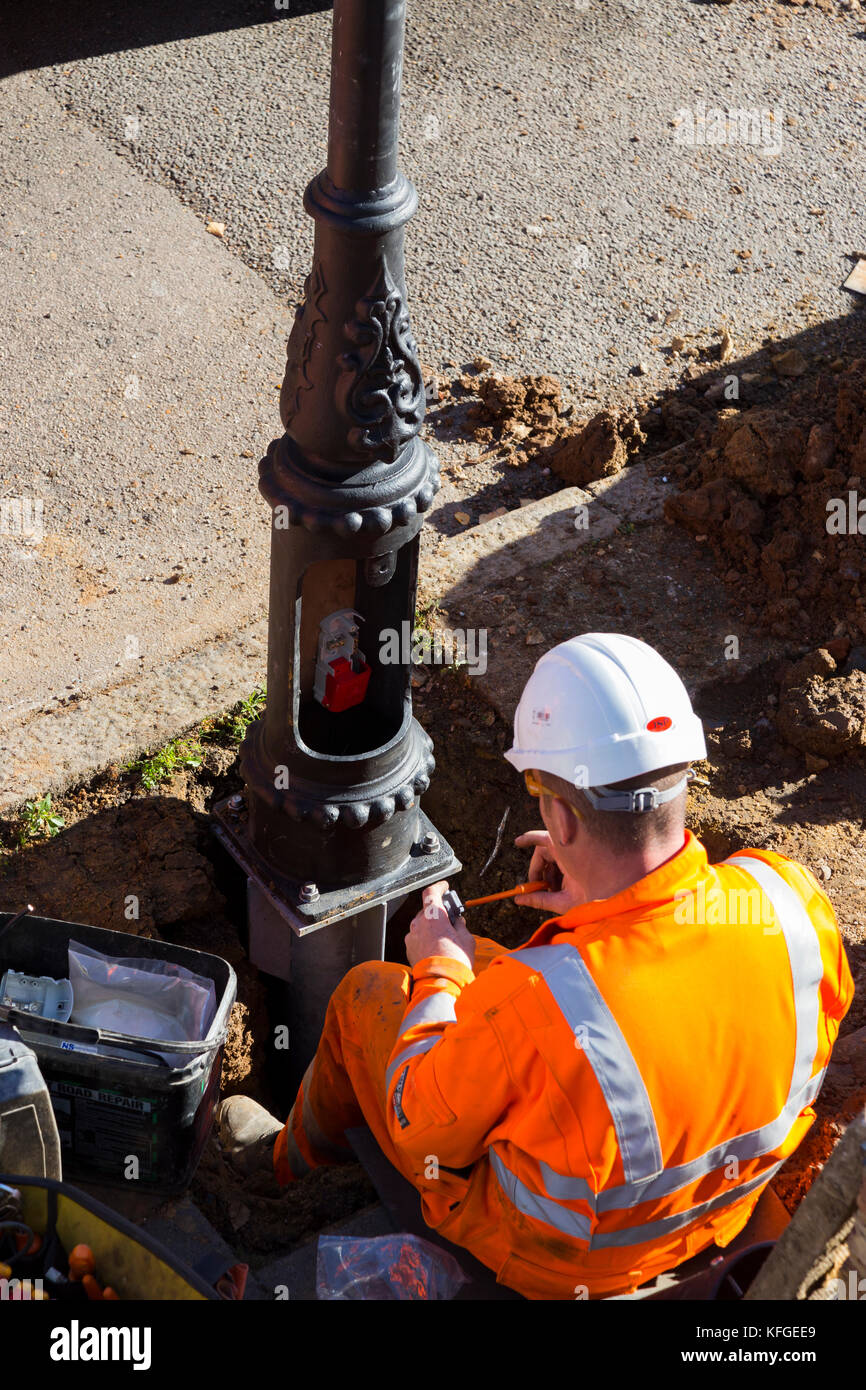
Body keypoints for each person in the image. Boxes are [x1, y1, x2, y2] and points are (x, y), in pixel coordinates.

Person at [217, 633, 853, 1299]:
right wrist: (598, 895)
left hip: (561, 1261)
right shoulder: (789, 899)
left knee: (366, 997)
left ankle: (284, 1167)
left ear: (563, 819)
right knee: (498, 987)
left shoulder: (538, 1003)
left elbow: (417, 1121)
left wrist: (439, 970)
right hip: (719, 1214)